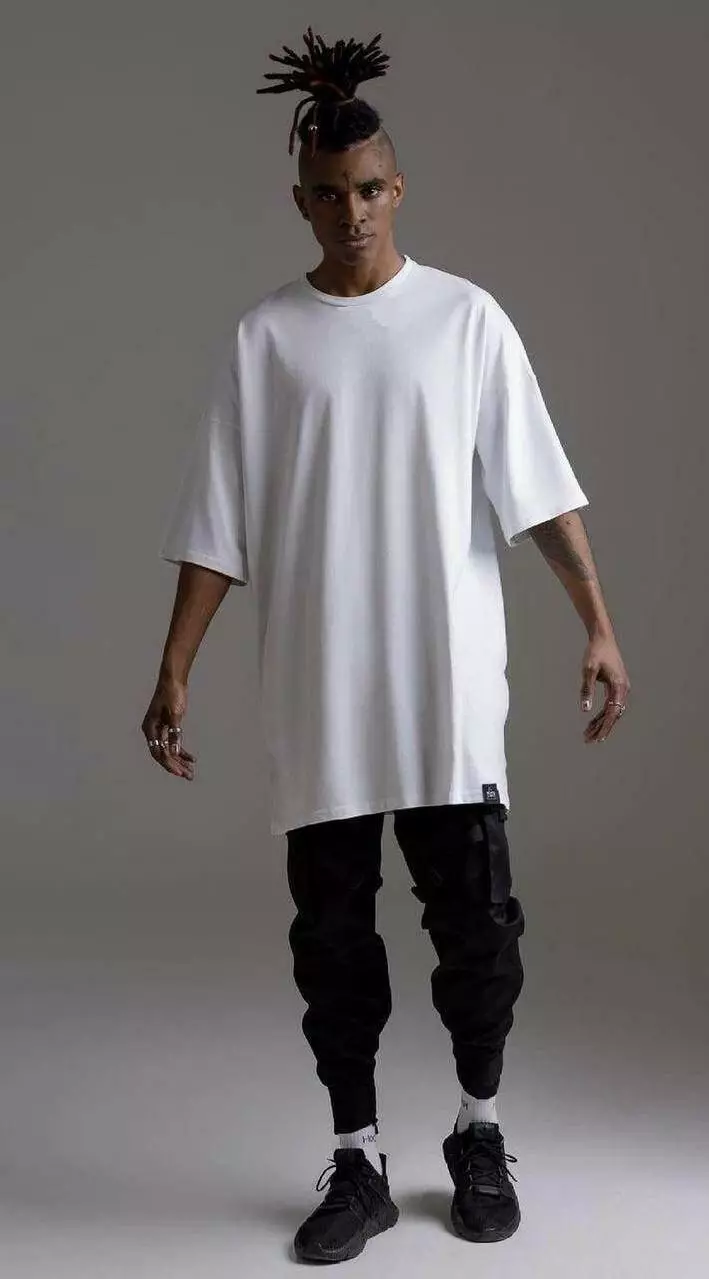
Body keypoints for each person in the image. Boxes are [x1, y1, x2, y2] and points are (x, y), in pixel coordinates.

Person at [141, 27, 631, 1266]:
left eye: (368, 189)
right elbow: (217, 525)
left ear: (396, 187)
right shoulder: (265, 341)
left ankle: (478, 1129)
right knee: (332, 943)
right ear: (299, 200)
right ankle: (356, 1157)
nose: (350, 212)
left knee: (479, 930)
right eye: (327, 194)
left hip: (445, 690)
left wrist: (598, 622)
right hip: (320, 696)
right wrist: (174, 665)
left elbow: (536, 493)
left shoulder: (465, 322)